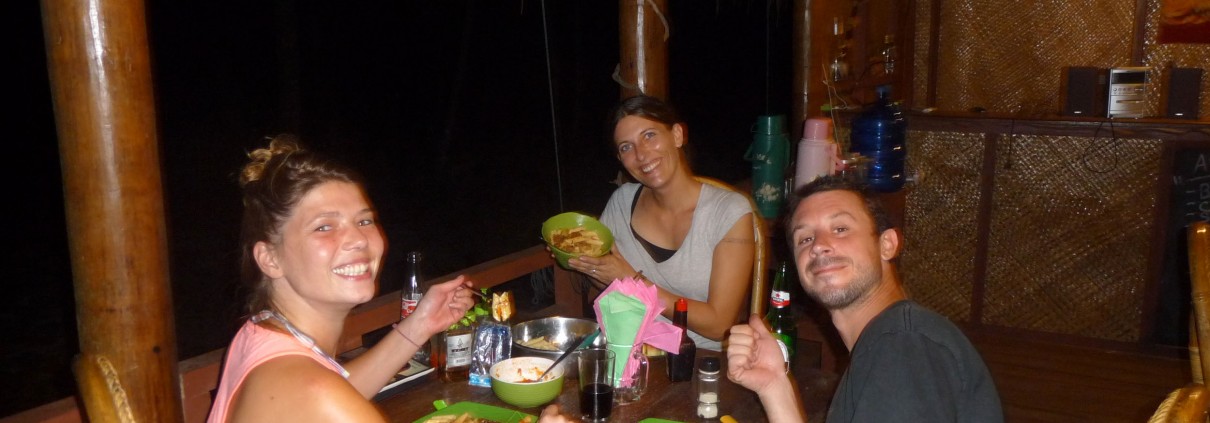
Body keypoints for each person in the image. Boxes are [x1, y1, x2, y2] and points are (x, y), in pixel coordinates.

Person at [208, 135, 573, 422]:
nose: (357, 239)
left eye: (364, 220)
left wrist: (420, 325)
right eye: (324, 227)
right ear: (270, 259)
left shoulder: (261, 334)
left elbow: (339, 388)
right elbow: (326, 396)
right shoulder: (314, 392)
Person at [725, 175, 1003, 422]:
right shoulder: (887, 343)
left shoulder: (902, 346)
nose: (819, 246)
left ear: (887, 245)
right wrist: (774, 385)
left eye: (840, 229)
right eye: (805, 239)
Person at [569, 95, 755, 351]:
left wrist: (634, 281)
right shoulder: (621, 202)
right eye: (626, 147)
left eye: (649, 135)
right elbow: (610, 282)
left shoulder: (729, 211)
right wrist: (587, 265)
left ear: (677, 135)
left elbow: (718, 325)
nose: (641, 154)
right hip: (629, 351)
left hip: (698, 357)